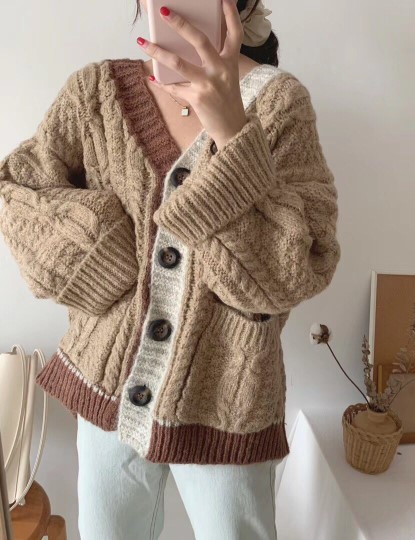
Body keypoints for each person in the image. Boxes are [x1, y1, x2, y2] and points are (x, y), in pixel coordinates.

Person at [0, 0, 341, 538]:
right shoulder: (96, 93)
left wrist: (232, 134)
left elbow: (295, 269)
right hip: (108, 388)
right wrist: (101, 256)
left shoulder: (280, 106)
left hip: (227, 402)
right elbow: (17, 190)